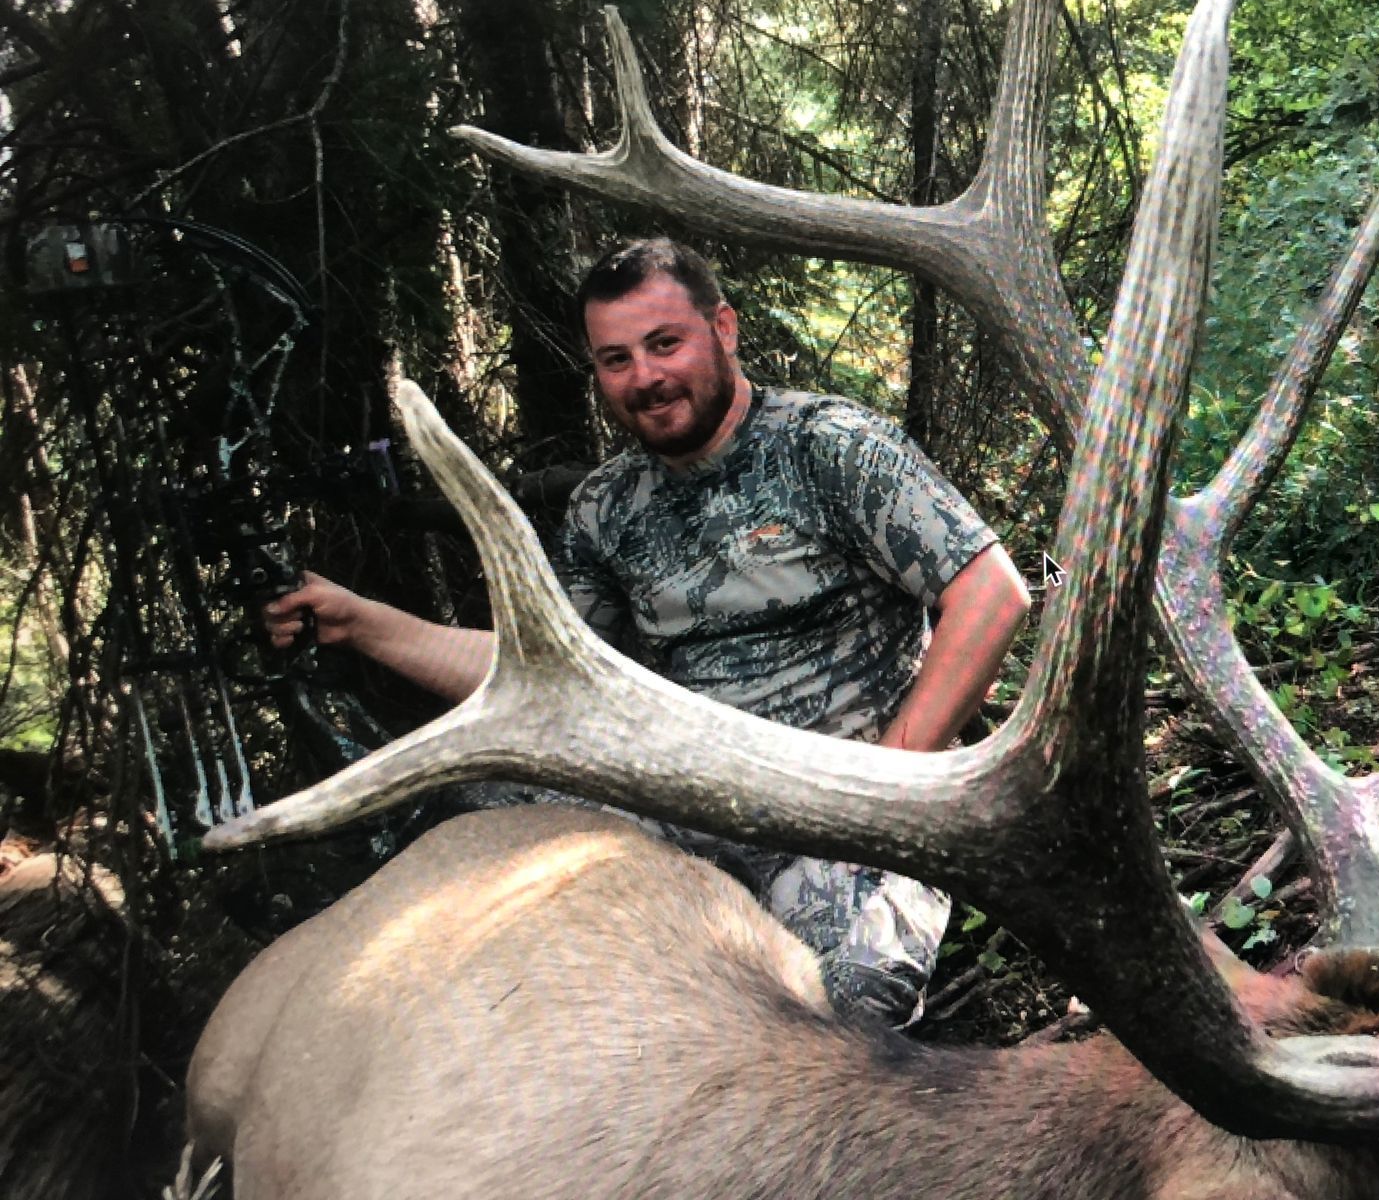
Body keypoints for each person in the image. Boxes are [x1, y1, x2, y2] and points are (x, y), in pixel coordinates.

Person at [266, 238, 1031, 1025]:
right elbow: (534, 671)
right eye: (616, 358)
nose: (645, 377)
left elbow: (991, 592)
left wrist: (892, 778)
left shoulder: (831, 447)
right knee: (466, 813)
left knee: (850, 1002)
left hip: (841, 812)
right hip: (684, 794)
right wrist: (359, 620)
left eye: (665, 343)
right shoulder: (606, 508)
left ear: (723, 329)